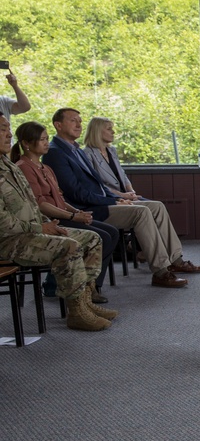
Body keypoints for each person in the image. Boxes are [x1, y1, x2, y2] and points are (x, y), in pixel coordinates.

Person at [43, 107, 200, 289]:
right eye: (73, 120)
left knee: (156, 206)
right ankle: (160, 271)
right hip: (86, 209)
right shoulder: (55, 152)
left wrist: (118, 198)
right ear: (58, 125)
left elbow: (100, 185)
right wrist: (113, 200)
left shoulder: (75, 150)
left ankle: (175, 259)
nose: (79, 124)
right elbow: (76, 193)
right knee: (141, 212)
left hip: (102, 201)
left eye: (80, 120)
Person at [0, 115, 118, 331]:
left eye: (8, 128)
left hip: (31, 231)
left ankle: (86, 300)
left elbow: (32, 206)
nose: (9, 134)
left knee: (92, 238)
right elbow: (3, 222)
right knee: (69, 245)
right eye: (2, 129)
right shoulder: (19, 165)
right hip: (9, 240)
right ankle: (77, 312)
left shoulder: (8, 166)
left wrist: (47, 223)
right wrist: (41, 227)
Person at [81, 116, 199, 272]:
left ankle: (176, 258)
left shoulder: (111, 150)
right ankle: (156, 262)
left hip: (125, 195)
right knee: (144, 211)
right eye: (109, 129)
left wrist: (130, 191)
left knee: (158, 206)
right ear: (97, 131)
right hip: (110, 199)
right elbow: (97, 186)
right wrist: (121, 196)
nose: (113, 132)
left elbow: (122, 175)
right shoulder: (87, 154)